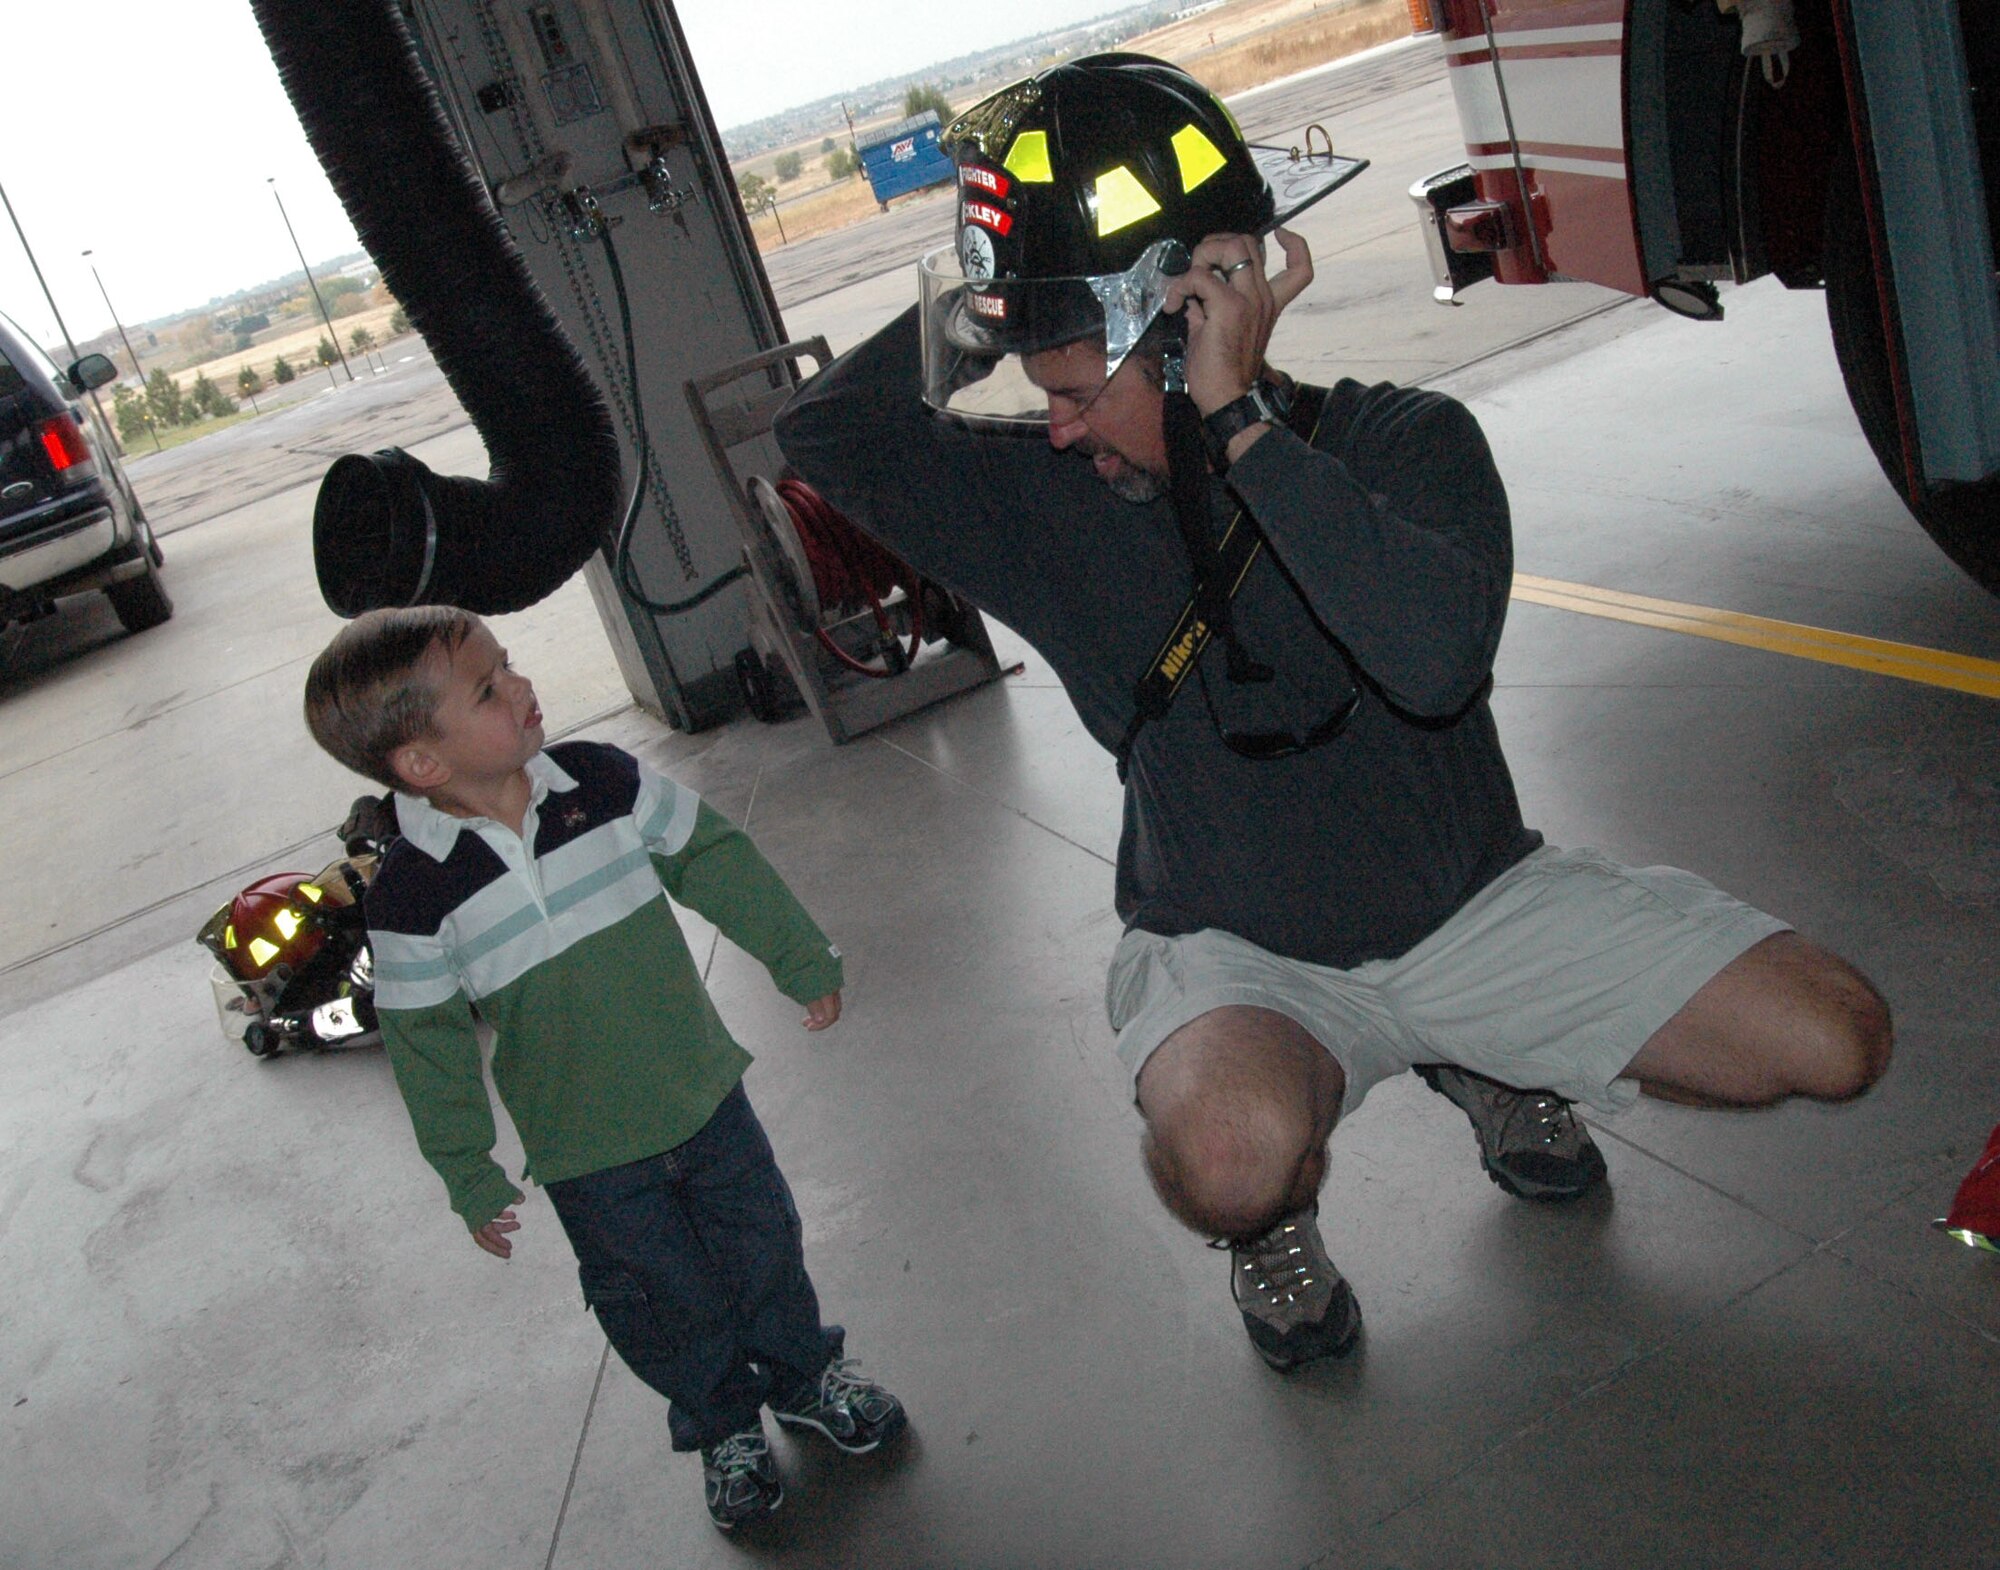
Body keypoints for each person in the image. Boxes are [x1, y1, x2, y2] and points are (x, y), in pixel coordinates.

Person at [776, 54, 1892, 1371]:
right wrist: (989, 305)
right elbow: (825, 435)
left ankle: (1492, 1056)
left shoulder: (1406, 448)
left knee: (1834, 1037)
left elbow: (1427, 661)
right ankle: (1276, 1223)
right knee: (1231, 1157)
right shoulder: (1047, 511)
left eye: (1076, 390)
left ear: (1193, 331)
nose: (1058, 428)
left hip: (1473, 906)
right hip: (1243, 954)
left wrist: (1236, 421)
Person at [302, 606, 906, 1529]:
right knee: (659, 1303)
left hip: (703, 1094)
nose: (523, 686)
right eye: (489, 687)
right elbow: (425, 1045)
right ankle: (720, 1425)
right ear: (422, 763)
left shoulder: (601, 783)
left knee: (763, 1248)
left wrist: (796, 952)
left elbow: (710, 854)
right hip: (588, 1156)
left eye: (510, 666)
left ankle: (805, 1375)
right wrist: (466, 1168)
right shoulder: (412, 898)